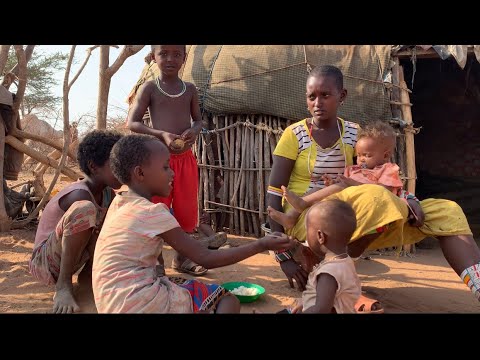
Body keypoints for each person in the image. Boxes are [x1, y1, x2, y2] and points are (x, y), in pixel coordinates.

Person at [268, 65, 480, 307]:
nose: (318, 102)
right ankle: (333, 277)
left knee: (446, 210)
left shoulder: (353, 134)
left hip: (355, 210)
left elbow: (376, 175)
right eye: (311, 96)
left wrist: (411, 200)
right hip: (307, 218)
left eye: (325, 95)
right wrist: (283, 256)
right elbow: (275, 192)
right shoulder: (294, 135)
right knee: (375, 196)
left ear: (342, 96)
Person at [92, 134, 295, 313]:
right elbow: (205, 258)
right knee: (225, 299)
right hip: (138, 302)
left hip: (110, 301)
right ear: (140, 173)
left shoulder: (120, 202)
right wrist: (262, 244)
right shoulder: (152, 213)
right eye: (165, 167)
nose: (172, 173)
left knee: (182, 286)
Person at [127, 45, 207, 276]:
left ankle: (182, 259)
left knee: (186, 210)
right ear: (154, 57)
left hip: (185, 160)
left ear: (185, 57)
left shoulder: (190, 89)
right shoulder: (149, 88)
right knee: (157, 209)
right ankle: (156, 261)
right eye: (163, 54)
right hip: (158, 162)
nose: (170, 59)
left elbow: (199, 120)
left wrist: (194, 130)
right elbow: (133, 123)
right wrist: (160, 134)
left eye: (176, 54)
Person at [29, 130, 123, 313]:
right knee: (85, 210)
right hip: (46, 263)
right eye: (116, 165)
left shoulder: (107, 194)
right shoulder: (79, 194)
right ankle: (63, 287)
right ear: (94, 166)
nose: (122, 170)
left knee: (117, 215)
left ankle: (88, 277)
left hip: (73, 257)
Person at [268, 120, 424, 230]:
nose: (361, 158)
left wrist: (350, 184)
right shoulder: (355, 170)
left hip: (368, 205)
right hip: (345, 202)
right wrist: (332, 183)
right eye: (360, 154)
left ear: (385, 155)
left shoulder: (388, 169)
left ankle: (302, 204)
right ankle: (292, 216)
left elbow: (385, 192)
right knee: (317, 189)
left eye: (367, 155)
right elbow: (341, 188)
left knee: (341, 186)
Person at [288, 199, 361, 313]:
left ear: (320, 236)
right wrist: (306, 302)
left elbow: (321, 310)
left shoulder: (328, 273)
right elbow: (330, 298)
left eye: (307, 231)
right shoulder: (345, 262)